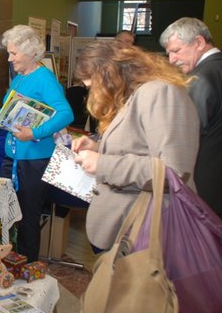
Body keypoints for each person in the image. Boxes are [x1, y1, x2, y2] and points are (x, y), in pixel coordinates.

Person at [71, 40, 200, 250]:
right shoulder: (133, 94)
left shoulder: (160, 93)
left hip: (145, 232)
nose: (93, 94)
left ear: (109, 75)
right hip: (125, 227)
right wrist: (98, 146)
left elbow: (174, 172)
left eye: (93, 86)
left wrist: (103, 164)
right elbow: (137, 143)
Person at [0, 24, 74, 261]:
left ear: (31, 53)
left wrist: (35, 132)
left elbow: (66, 114)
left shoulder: (44, 79)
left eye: (14, 53)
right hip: (12, 158)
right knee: (9, 214)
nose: (9, 58)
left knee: (28, 218)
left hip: (33, 161)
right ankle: (11, 259)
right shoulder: (19, 78)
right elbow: (8, 119)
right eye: (9, 52)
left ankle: (28, 268)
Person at [160, 17, 222, 220]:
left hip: (206, 189)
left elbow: (186, 137)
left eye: (176, 51)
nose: (171, 60)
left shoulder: (201, 78)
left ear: (198, 42)